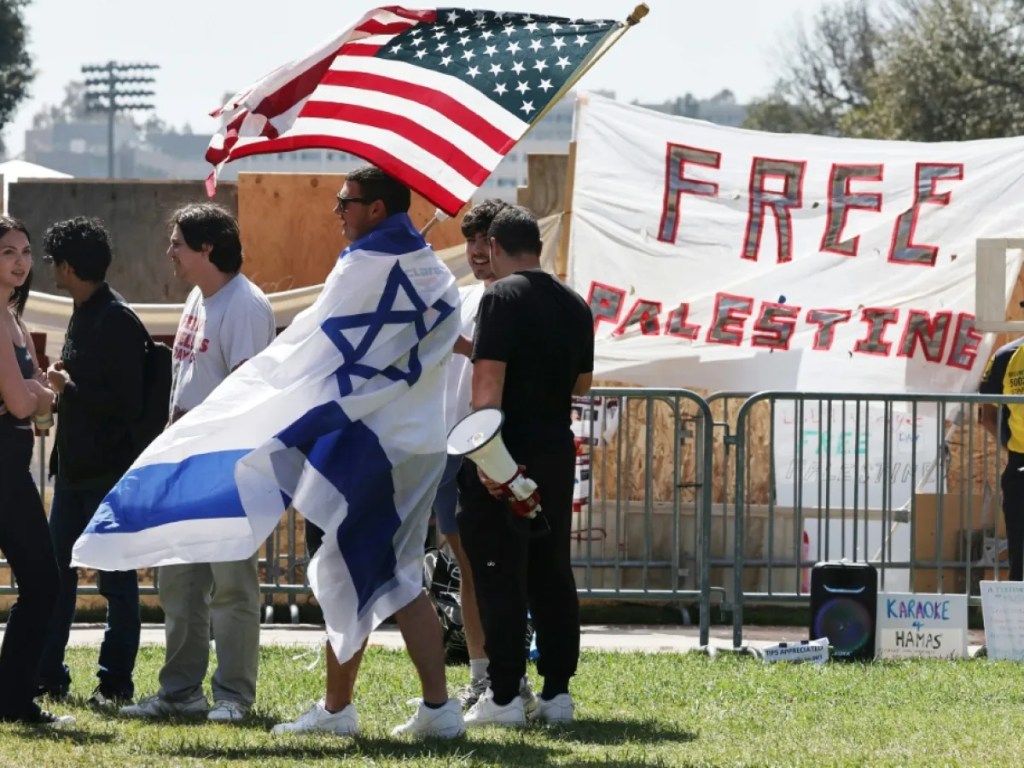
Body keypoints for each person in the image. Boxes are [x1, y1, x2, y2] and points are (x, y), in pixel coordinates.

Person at [271, 165, 464, 739]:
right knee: (401, 575)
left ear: (377, 209)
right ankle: (436, 709)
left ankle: (339, 712)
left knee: (346, 567)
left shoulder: (363, 267)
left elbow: (315, 346)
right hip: (421, 443)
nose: (338, 211)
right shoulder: (436, 271)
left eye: (345, 201)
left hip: (377, 447)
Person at [121, 203, 275, 722]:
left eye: (178, 244)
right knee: (179, 583)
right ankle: (181, 691)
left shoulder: (247, 306)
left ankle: (234, 696)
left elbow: (250, 397)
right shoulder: (196, 296)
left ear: (207, 249)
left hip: (227, 464)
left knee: (232, 586)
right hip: (184, 461)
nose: (170, 252)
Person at [458, 205, 594, 727]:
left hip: (505, 451)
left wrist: (489, 460)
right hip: (555, 450)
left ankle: (505, 696)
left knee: (497, 573)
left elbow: (486, 386)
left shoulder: (499, 296)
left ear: (493, 246)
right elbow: (582, 386)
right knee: (551, 571)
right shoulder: (575, 303)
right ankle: (557, 694)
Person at [37, 217, 147, 707]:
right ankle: (48, 675)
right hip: (75, 472)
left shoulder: (117, 320)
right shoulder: (82, 311)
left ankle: (115, 683)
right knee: (55, 578)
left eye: (54, 264)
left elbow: (126, 403)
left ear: (66, 266)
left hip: (107, 475)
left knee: (116, 582)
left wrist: (68, 388)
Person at [432, 198, 532, 710]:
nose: (475, 250)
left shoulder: (521, 302)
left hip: (497, 448)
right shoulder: (462, 299)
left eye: (484, 240)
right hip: (450, 446)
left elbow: (516, 366)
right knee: (468, 566)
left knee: (507, 568)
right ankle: (479, 673)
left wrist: (462, 345)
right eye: (469, 240)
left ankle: (512, 677)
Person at [0, 216, 73, 728]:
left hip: (14, 460)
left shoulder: (15, 319)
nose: (21, 261)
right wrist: (45, 393)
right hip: (2, 466)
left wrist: (40, 397)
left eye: (25, 251)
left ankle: (11, 697)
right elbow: (26, 402)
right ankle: (14, 699)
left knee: (41, 582)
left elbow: (37, 412)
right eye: (8, 252)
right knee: (43, 582)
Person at [980, 340, 1024, 580]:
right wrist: (1013, 447)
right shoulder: (1006, 356)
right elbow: (987, 415)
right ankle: (1020, 615)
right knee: (1020, 551)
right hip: (1021, 463)